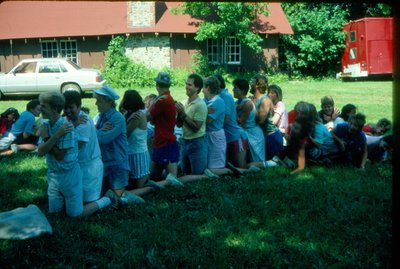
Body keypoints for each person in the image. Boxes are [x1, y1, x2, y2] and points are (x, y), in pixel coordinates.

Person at [94, 85, 145, 207]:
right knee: (104, 197)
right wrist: (97, 131)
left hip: (117, 164)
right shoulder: (102, 117)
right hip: (106, 162)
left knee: (115, 201)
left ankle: (134, 197)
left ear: (108, 102)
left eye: (99, 101)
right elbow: (97, 136)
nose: (96, 104)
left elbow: (103, 139)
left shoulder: (117, 118)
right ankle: (126, 197)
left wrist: (94, 132)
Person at [62, 90, 111, 216]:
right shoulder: (70, 120)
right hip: (78, 167)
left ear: (79, 106)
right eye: (65, 107)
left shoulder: (84, 122)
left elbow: (73, 149)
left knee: (82, 210)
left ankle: (107, 200)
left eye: (71, 107)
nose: (67, 111)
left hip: (90, 168)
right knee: (71, 205)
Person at [36, 92, 83, 217]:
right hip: (53, 175)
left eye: (43, 106)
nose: (40, 108)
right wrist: (54, 136)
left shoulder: (66, 127)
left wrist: (48, 138)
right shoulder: (45, 124)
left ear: (55, 108)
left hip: (70, 175)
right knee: (55, 213)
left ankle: (106, 201)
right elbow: (40, 152)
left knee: (75, 214)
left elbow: (59, 155)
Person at [147, 72, 183, 187]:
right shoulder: (168, 98)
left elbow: (147, 117)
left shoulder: (162, 100)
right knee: (155, 176)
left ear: (157, 85)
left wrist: (154, 102)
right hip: (164, 140)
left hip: (164, 141)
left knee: (170, 179)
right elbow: (154, 120)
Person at [119, 89, 158, 190]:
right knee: (131, 185)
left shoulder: (138, 116)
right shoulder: (127, 114)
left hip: (138, 154)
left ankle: (154, 187)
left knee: (139, 187)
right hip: (129, 154)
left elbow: (125, 134)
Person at [175, 74, 209, 178]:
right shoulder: (184, 103)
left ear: (197, 88)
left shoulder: (201, 105)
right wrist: (179, 114)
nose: (186, 86)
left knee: (197, 175)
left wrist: (183, 114)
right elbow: (179, 124)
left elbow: (196, 128)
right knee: (185, 172)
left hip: (197, 142)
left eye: (189, 85)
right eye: (186, 84)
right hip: (185, 141)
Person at [215, 75, 249, 169]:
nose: (233, 89)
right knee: (232, 167)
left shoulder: (225, 96)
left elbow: (226, 118)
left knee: (241, 167)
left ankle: (265, 165)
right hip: (228, 137)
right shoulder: (219, 96)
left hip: (236, 137)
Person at [250, 74, 283, 161]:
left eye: (252, 82)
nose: (250, 84)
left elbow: (260, 121)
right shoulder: (253, 99)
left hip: (272, 137)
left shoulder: (265, 100)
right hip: (262, 136)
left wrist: (252, 105)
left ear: (257, 85)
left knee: (275, 163)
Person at [233, 78, 265, 163]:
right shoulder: (236, 102)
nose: (233, 90)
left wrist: (233, 110)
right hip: (245, 133)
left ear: (242, 90)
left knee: (257, 162)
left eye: (235, 88)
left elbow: (240, 122)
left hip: (254, 135)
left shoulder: (247, 103)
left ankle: (273, 164)